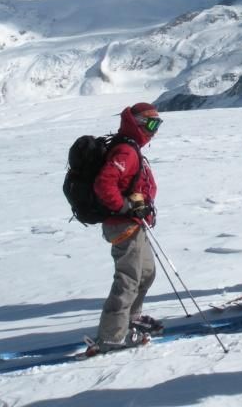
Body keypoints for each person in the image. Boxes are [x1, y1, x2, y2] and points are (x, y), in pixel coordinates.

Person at [88, 102, 162, 354]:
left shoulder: (131, 148)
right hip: (123, 225)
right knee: (128, 279)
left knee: (147, 273)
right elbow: (104, 184)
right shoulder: (126, 152)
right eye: (152, 124)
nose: (155, 130)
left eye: (158, 124)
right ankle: (111, 335)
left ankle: (131, 318)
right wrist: (124, 207)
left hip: (135, 223)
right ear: (138, 124)